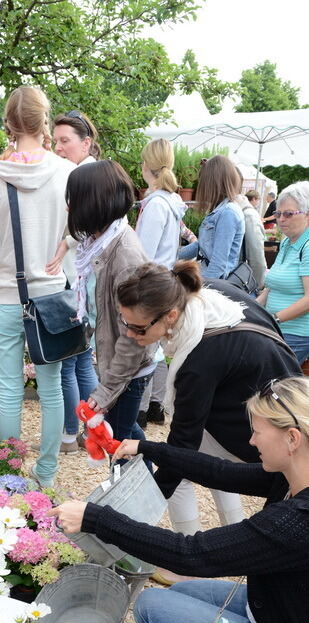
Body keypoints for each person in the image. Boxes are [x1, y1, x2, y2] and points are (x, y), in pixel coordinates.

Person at [51, 375, 309, 623]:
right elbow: (219, 471)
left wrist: (95, 517)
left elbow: (191, 553)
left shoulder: (296, 523)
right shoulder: (293, 477)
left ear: (292, 438)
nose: (251, 441)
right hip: (277, 611)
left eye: (257, 431)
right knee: (185, 592)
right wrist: (147, 447)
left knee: (152, 606)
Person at [113, 259, 300, 541]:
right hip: (282, 393)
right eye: (125, 323)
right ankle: (230, 532)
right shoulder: (208, 294)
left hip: (266, 424)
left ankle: (189, 561)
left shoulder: (199, 362)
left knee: (183, 469)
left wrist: (144, 507)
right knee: (209, 464)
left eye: (138, 328)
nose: (129, 333)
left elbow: (182, 444)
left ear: (171, 316)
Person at [0, 85, 75, 487]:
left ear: (9, 125)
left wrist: (4, 268)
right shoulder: (67, 172)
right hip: (53, 297)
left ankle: (11, 476)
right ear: (43, 121)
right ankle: (46, 475)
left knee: (9, 389)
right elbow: (80, 230)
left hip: (6, 297)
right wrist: (59, 254)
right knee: (51, 389)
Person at [64, 160, 156, 445]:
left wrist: (106, 391)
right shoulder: (101, 241)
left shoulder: (124, 255)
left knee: (119, 446)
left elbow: (135, 337)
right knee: (126, 437)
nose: (69, 207)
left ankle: (145, 488)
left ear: (92, 202)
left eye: (73, 199)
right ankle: (159, 485)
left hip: (129, 368)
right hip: (119, 364)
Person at [50, 110, 101, 453]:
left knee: (69, 361)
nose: (58, 148)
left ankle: (70, 433)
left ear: (86, 143)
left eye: (65, 141)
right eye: (55, 141)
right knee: (82, 360)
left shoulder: (83, 176)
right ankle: (93, 430)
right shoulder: (94, 172)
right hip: (83, 279)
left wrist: (62, 243)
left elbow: (82, 229)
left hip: (78, 281)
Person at [135, 138, 187, 428]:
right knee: (156, 347)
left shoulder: (156, 204)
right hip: (164, 278)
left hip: (151, 282)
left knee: (146, 347)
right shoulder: (170, 201)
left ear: (147, 164)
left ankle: (142, 409)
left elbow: (144, 252)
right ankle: (155, 404)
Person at [256, 181, 309, 365]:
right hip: (277, 329)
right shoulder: (287, 242)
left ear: (307, 215)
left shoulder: (307, 245)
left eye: (288, 214)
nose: (281, 219)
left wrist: (274, 319)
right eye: (278, 214)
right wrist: (251, 309)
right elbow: (271, 287)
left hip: (296, 334)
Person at [179, 155, 244, 280]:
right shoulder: (221, 210)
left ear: (213, 184)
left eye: (203, 182)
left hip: (215, 284)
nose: (201, 187)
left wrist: (201, 291)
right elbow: (202, 246)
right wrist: (173, 256)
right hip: (207, 277)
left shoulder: (228, 213)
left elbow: (218, 265)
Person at [235, 187, 266, 290]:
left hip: (239, 281)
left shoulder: (249, 215)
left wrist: (257, 288)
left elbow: (257, 258)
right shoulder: (246, 213)